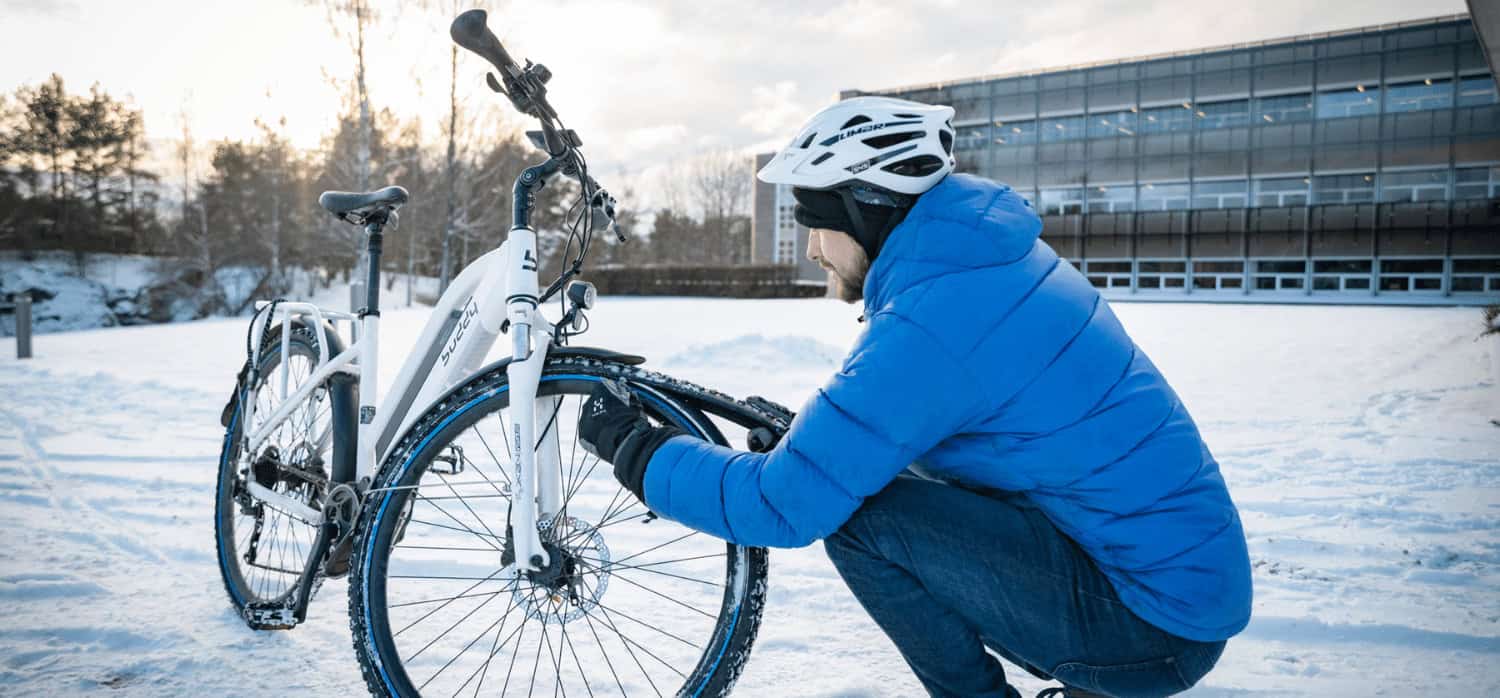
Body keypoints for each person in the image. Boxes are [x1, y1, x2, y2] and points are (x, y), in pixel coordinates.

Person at [578, 96, 1252, 698]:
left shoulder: (937, 321)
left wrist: (639, 450)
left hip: (1149, 621)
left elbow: (782, 506)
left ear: (868, 210)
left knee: (860, 521)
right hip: (1169, 583)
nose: (812, 249)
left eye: (817, 223)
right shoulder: (983, 265)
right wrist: (809, 446)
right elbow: (966, 440)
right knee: (861, 492)